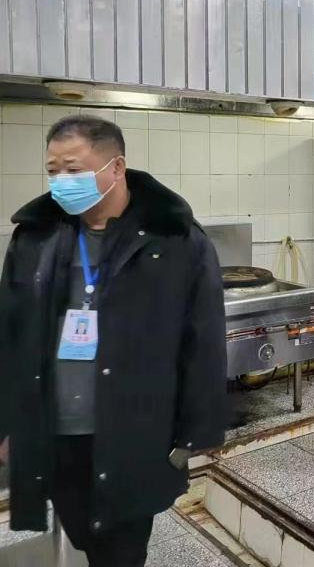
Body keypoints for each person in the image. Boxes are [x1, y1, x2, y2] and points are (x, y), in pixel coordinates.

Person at [0, 115, 226, 567]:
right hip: (57, 431)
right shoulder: (36, 236)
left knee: (123, 549)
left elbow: (203, 340)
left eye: (73, 169)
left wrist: (196, 432)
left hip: (134, 430)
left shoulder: (174, 239)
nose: (61, 182)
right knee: (85, 536)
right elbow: (9, 332)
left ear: (116, 167)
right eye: (53, 171)